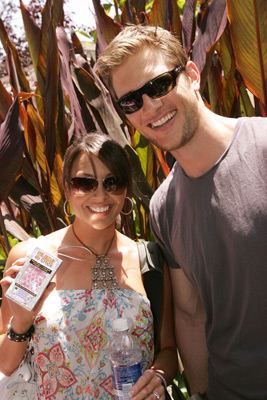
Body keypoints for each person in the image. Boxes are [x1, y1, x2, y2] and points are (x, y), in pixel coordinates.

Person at [95, 24, 267, 400]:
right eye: (131, 101)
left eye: (158, 85)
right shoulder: (163, 206)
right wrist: (203, 393)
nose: (150, 107)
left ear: (192, 75)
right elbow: (190, 314)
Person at [0, 132, 178, 399]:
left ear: (126, 189)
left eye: (112, 182)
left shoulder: (147, 259)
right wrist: (21, 324)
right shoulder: (35, 259)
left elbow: (167, 351)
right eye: (85, 183)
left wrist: (159, 376)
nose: (100, 195)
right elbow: (5, 364)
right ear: (67, 189)